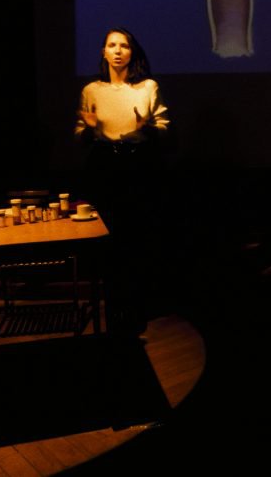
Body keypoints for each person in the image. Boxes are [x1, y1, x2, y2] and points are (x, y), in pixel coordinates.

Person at [75, 27, 170, 334]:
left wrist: (147, 128)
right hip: (104, 167)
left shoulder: (147, 87)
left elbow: (164, 127)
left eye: (123, 45)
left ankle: (137, 307)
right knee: (109, 238)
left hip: (138, 166)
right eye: (111, 45)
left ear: (132, 52)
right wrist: (89, 130)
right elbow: (80, 135)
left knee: (137, 237)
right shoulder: (92, 90)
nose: (117, 50)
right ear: (104, 52)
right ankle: (115, 307)